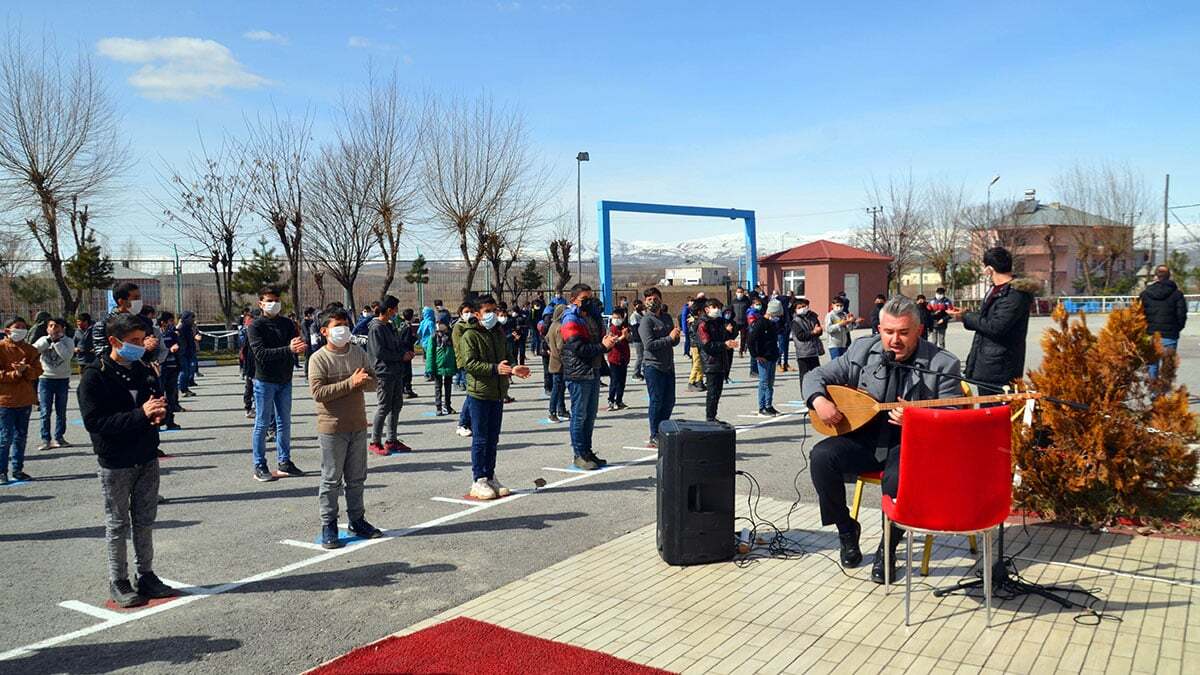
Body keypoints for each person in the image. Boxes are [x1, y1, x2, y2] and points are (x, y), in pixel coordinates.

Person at [803, 295, 962, 584]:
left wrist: (918, 418)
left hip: (911, 442)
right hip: (865, 437)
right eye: (888, 332)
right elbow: (816, 375)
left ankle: (887, 547)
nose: (894, 340)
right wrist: (818, 400)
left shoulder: (942, 363)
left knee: (897, 479)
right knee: (821, 457)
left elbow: (953, 416)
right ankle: (846, 529)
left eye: (903, 332)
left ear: (919, 331)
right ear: (879, 329)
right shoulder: (863, 351)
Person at [78, 312, 176, 607]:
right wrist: (140, 414)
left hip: (146, 455)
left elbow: (155, 402)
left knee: (145, 520)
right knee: (118, 523)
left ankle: (145, 573)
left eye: (141, 340)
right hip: (116, 460)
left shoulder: (143, 369)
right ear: (113, 341)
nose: (139, 346)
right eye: (133, 341)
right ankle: (118, 579)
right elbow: (96, 423)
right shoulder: (95, 376)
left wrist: (159, 413)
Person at [308, 306, 383, 549]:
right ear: (324, 331)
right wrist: (351, 382)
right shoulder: (318, 359)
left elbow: (372, 382)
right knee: (331, 479)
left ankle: (357, 519)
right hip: (332, 427)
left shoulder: (358, 353)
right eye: (336, 326)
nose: (342, 330)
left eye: (345, 325)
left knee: (357, 477)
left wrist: (365, 381)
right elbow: (319, 393)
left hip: (357, 424)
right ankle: (328, 522)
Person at [460, 294, 531, 499]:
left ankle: (490, 475)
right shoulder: (470, 335)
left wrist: (513, 368)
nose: (492, 315)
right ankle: (479, 479)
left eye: (494, 310)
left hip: (498, 392)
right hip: (480, 392)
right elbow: (469, 364)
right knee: (480, 438)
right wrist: (495, 369)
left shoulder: (498, 333)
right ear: (476, 314)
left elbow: (506, 357)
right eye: (487, 311)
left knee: (493, 438)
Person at [947, 246, 1038, 395]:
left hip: (1001, 366)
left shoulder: (1014, 294)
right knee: (987, 409)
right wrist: (966, 315)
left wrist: (965, 316)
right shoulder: (996, 289)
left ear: (989, 269)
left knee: (997, 410)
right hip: (988, 362)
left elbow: (996, 326)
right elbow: (988, 319)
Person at [247, 286, 308, 482]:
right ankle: (260, 464)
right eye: (269, 300)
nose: (274, 304)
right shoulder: (255, 326)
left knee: (284, 423)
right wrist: (288, 349)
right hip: (265, 380)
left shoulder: (287, 323)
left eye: (276, 300)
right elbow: (261, 354)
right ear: (261, 304)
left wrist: (298, 348)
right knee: (262, 424)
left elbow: (293, 346)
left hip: (285, 380)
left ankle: (285, 462)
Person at [561, 283, 616, 471]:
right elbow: (579, 348)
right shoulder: (570, 319)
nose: (588, 303)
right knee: (579, 414)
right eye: (584, 299)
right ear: (573, 300)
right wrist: (603, 347)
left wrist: (608, 343)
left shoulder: (592, 317)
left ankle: (587, 450)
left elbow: (599, 341)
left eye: (590, 298)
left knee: (590, 415)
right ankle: (579, 453)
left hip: (593, 370)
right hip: (578, 372)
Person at [367, 296, 412, 456]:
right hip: (383, 372)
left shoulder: (389, 326)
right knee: (383, 406)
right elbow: (379, 352)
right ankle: (375, 441)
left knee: (396, 405)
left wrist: (405, 353)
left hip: (395, 371)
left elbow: (396, 345)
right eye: (395, 309)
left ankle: (391, 440)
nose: (397, 312)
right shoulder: (376, 328)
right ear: (389, 310)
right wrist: (400, 357)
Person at [0, 318, 42, 484]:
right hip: (5, 401)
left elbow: (38, 371)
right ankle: (1, 471)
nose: (21, 330)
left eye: (24, 327)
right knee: (5, 437)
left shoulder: (30, 349)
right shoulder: (1, 348)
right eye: (17, 327)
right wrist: (14, 374)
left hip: (24, 399)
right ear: (7, 330)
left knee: (21, 436)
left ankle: (18, 469)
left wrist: (26, 370)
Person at [638, 287, 680, 447]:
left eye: (655, 298)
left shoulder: (667, 317)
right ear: (645, 302)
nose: (652, 302)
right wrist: (669, 338)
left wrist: (675, 336)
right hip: (653, 366)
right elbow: (649, 344)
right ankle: (654, 434)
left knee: (669, 400)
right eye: (649, 299)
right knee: (656, 400)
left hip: (668, 365)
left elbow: (672, 341)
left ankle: (664, 429)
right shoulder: (646, 321)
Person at [1140, 265, 1188, 379]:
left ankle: (1154, 392)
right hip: (1170, 335)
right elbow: (1182, 315)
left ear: (1156, 276)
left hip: (1150, 334)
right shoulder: (1177, 294)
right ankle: (1164, 392)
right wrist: (1176, 328)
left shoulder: (1145, 294)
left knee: (1152, 364)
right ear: (1169, 276)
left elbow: (1138, 314)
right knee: (1168, 366)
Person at [34, 317, 75, 450]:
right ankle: (46, 439)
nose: (53, 328)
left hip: (62, 379)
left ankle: (59, 437)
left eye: (57, 326)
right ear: (47, 328)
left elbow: (67, 356)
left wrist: (57, 342)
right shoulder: (42, 340)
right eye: (51, 326)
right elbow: (34, 351)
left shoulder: (68, 341)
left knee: (61, 410)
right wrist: (48, 340)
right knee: (45, 411)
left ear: (63, 328)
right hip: (45, 379)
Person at [92, 282, 156, 362]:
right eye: (135, 298)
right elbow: (102, 354)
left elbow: (151, 354)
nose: (139, 301)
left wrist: (150, 346)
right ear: (121, 301)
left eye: (139, 297)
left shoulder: (145, 321)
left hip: (140, 370)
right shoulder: (103, 325)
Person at [698, 299, 738, 423]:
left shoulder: (719, 322)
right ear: (707, 309)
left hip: (721, 360)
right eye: (714, 307)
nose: (717, 309)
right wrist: (724, 345)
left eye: (718, 307)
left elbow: (726, 336)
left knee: (718, 391)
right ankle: (710, 417)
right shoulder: (703, 324)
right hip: (711, 361)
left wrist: (730, 331)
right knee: (713, 391)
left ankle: (713, 415)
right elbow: (707, 345)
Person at [749, 298, 783, 416]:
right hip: (763, 357)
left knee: (770, 382)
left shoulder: (773, 324)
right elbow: (751, 340)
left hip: (772, 356)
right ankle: (762, 406)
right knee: (764, 382)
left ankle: (769, 405)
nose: (778, 317)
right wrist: (756, 355)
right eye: (777, 314)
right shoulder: (760, 323)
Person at [452, 302, 476, 437]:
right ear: (461, 313)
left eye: (472, 311)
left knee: (472, 394)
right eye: (466, 311)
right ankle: (463, 423)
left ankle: (469, 422)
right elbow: (460, 347)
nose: (469, 313)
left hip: (475, 363)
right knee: (471, 394)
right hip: (466, 364)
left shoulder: (473, 324)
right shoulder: (459, 327)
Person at [157, 312, 182, 431]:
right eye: (170, 321)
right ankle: (157, 421)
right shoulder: (156, 333)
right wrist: (169, 350)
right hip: (161, 367)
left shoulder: (172, 333)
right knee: (159, 395)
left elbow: (178, 345)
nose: (172, 323)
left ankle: (170, 420)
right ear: (163, 322)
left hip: (173, 367)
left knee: (171, 395)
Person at [789, 298, 824, 381]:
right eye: (799, 307)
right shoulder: (796, 321)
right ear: (795, 309)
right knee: (804, 375)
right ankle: (804, 392)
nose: (802, 308)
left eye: (804, 306)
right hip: (803, 353)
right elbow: (800, 336)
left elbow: (819, 331)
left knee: (816, 374)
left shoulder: (813, 317)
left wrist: (818, 331)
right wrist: (813, 332)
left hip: (814, 351)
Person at [546, 303, 569, 423]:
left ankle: (561, 410)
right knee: (557, 388)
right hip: (560, 362)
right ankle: (552, 412)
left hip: (553, 360)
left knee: (560, 387)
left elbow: (547, 339)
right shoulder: (560, 327)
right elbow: (561, 347)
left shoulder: (552, 325)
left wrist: (551, 348)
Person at [429, 315, 457, 415]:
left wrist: (457, 365)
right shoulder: (434, 336)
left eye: (440, 323)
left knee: (448, 386)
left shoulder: (452, 335)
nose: (438, 325)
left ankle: (448, 405)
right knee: (438, 387)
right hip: (438, 365)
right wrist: (429, 368)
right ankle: (438, 406)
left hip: (449, 365)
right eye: (437, 323)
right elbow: (430, 353)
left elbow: (456, 350)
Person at [606, 307, 631, 412]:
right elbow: (612, 342)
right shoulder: (612, 329)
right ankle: (611, 400)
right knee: (614, 381)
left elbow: (629, 340)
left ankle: (619, 400)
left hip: (623, 358)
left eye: (618, 317)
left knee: (622, 381)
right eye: (614, 317)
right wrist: (622, 336)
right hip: (614, 358)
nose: (616, 319)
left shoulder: (624, 327)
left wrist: (627, 335)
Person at [686, 297, 707, 392]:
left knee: (701, 363)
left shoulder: (696, 320)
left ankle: (699, 381)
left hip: (699, 344)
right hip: (695, 345)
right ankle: (691, 381)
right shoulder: (694, 321)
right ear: (698, 312)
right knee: (697, 363)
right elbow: (695, 331)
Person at [397, 308, 418, 398]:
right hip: (406, 352)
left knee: (403, 372)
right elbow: (406, 341)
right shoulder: (407, 327)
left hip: (402, 352)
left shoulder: (402, 325)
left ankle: (403, 389)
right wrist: (414, 338)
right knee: (407, 373)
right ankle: (407, 389)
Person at [176, 311, 198, 397]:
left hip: (189, 352)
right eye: (191, 318)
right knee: (184, 371)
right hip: (183, 353)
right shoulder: (182, 328)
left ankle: (185, 387)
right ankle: (182, 388)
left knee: (188, 371)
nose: (193, 320)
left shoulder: (189, 328)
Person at [731, 287, 752, 357]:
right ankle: (730, 348)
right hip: (735, 322)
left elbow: (750, 311)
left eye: (741, 292)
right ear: (736, 293)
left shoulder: (747, 301)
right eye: (738, 292)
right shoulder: (733, 301)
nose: (739, 293)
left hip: (744, 322)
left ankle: (741, 350)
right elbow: (730, 311)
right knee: (732, 336)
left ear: (743, 293)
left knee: (743, 337)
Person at [417, 307, 436, 382]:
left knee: (426, 359)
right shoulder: (431, 322)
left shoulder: (423, 322)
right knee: (430, 359)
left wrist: (420, 340)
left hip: (423, 343)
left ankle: (427, 372)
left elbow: (418, 332)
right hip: (429, 343)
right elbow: (433, 333)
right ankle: (429, 373)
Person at [629, 300, 645, 380]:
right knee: (640, 357)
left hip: (643, 338)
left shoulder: (642, 314)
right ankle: (635, 373)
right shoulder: (634, 316)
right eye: (638, 305)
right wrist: (639, 338)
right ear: (634, 306)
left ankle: (642, 372)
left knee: (644, 356)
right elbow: (635, 329)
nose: (640, 306)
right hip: (638, 339)